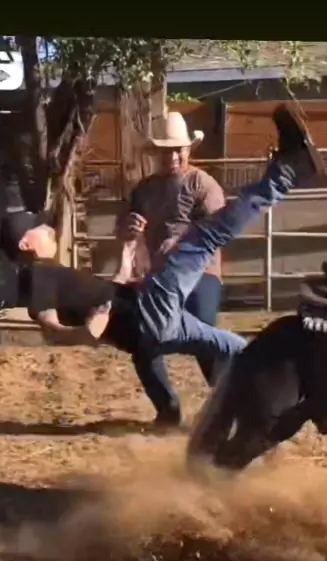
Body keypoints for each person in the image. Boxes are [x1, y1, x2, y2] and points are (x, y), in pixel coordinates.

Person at [0, 105, 324, 393]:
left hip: (155, 311)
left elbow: (108, 293)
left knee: (232, 345)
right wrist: (85, 333)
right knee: (206, 238)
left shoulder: (201, 183)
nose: (47, 227)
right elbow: (49, 324)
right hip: (154, 304)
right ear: (26, 243)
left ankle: (267, 390)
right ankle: (287, 173)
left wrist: (126, 261)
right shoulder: (39, 275)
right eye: (37, 227)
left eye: (178, 150)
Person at [116, 111, 226, 428]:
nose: (173, 157)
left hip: (200, 272)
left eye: (178, 150)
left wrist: (182, 240)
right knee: (142, 339)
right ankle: (168, 410)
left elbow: (219, 228)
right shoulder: (144, 190)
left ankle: (229, 403)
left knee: (204, 331)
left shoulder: (203, 184)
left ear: (189, 149)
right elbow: (122, 229)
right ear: (157, 153)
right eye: (166, 151)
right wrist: (128, 228)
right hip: (161, 277)